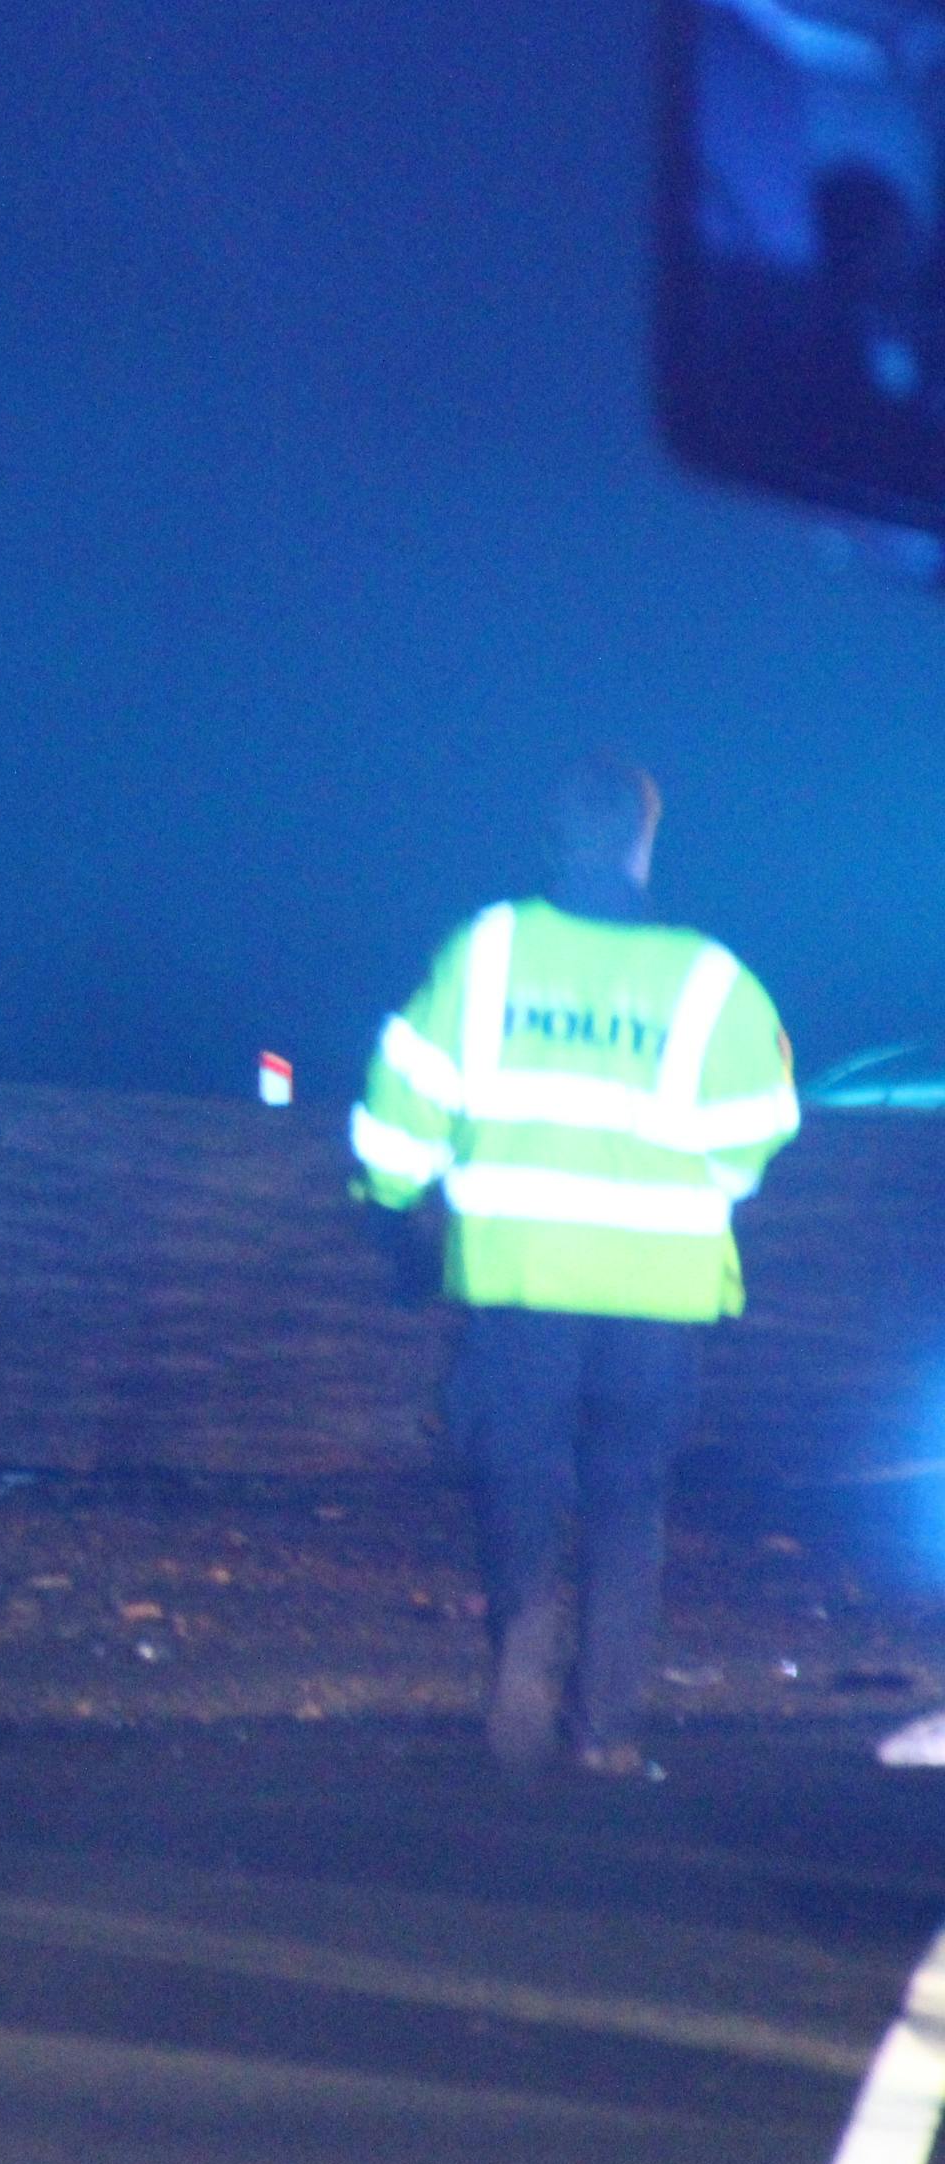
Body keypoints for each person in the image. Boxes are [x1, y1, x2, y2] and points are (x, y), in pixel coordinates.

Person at [350, 755, 800, 1777]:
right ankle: (605, 1727)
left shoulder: (489, 948)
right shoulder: (709, 976)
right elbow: (761, 1127)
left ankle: (520, 1640)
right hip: (656, 1288)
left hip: (521, 1273)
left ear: (552, 837)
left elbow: (405, 1093)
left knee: (517, 1472)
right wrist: (699, 1188)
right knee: (629, 1494)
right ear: (647, 838)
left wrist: (390, 1203)